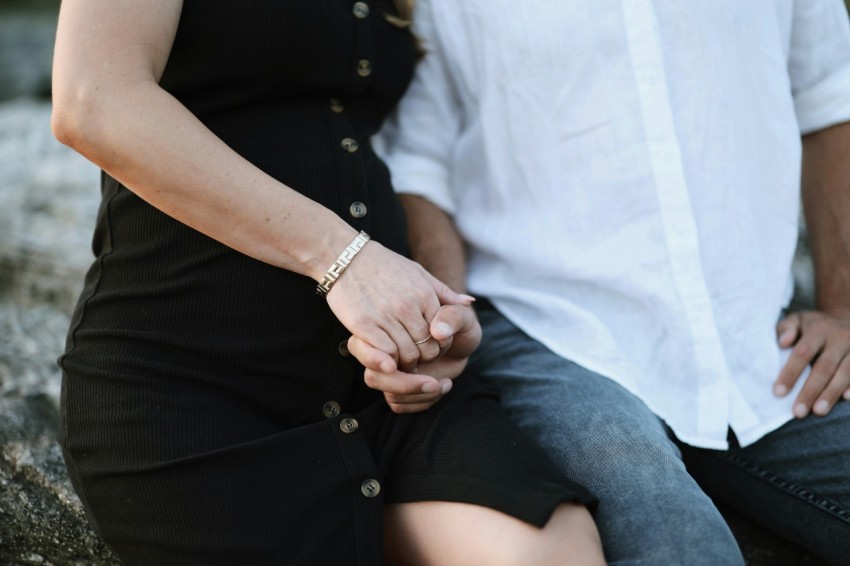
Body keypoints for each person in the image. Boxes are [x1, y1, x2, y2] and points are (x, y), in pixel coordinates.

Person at [49, 1, 606, 564]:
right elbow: (93, 102)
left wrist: (433, 314)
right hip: (194, 390)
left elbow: (400, 159)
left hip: (384, 395)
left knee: (554, 547)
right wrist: (342, 258)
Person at [378, 0, 850, 563]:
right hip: (551, 332)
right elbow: (419, 165)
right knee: (681, 547)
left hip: (754, 343)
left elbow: (830, 96)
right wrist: (447, 311)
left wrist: (842, 307)